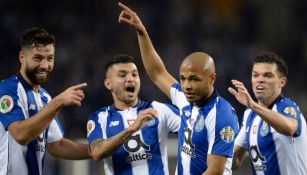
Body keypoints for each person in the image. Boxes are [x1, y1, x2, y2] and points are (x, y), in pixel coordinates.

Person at [118, 2, 239, 175]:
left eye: (194, 79)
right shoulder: (185, 98)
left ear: (212, 78)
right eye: (183, 79)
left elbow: (215, 171)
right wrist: (142, 32)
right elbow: (157, 73)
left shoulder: (222, 115)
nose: (187, 86)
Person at [0, 27, 91, 175]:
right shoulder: (7, 89)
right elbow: (21, 135)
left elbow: (57, 145)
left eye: (50, 58)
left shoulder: (44, 97)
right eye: (38, 58)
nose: (44, 65)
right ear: (22, 57)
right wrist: (59, 101)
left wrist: (97, 150)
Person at [87, 55, 181, 175]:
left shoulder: (159, 110)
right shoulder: (100, 117)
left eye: (134, 74)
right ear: (108, 84)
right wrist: (131, 129)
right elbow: (96, 152)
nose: (130, 79)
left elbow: (193, 125)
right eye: (122, 75)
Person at [228, 52, 307, 175]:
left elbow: (290, 128)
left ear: (282, 82)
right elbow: (235, 161)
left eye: (267, 76)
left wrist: (253, 105)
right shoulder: (250, 115)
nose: (260, 80)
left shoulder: (286, 106)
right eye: (256, 75)